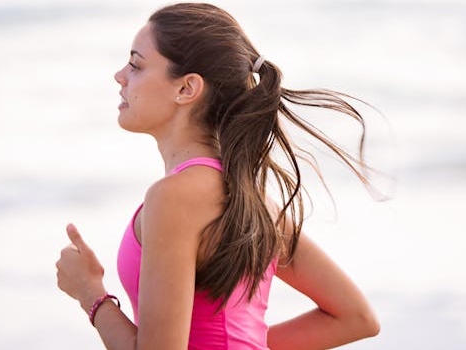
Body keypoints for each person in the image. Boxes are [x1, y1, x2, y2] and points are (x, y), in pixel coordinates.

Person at [55, 3, 381, 349]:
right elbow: (355, 318)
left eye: (136, 65)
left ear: (186, 89)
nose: (119, 76)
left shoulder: (174, 197)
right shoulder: (251, 198)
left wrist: (91, 294)